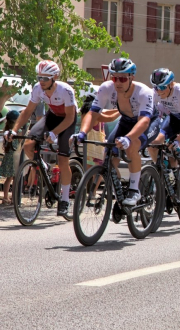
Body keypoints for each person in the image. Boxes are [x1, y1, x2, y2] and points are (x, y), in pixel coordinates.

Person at [76, 58, 154, 208]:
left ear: (132, 78)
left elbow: (144, 121)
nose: (118, 82)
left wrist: (129, 138)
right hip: (126, 120)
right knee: (109, 156)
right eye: (114, 78)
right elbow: (92, 114)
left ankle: (133, 190)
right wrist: (81, 134)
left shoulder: (143, 92)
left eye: (123, 78)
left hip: (148, 121)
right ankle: (118, 192)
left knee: (132, 145)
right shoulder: (106, 88)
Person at [4, 61, 78, 218]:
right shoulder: (38, 88)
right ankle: (44, 166)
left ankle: (65, 199)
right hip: (51, 116)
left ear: (55, 77)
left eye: (45, 78)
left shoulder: (66, 90)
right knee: (28, 145)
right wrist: (14, 130)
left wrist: (55, 133)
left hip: (67, 120)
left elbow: (70, 117)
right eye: (39, 77)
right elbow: (27, 111)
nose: (41, 81)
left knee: (63, 159)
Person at [147, 68, 180, 221]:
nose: (159, 91)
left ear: (171, 84)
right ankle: (164, 171)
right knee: (154, 143)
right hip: (174, 120)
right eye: (156, 87)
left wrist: (178, 140)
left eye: (163, 87)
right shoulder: (155, 92)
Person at [1, 110, 20, 206]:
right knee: (14, 178)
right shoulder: (16, 132)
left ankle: (6, 197)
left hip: (9, 156)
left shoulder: (6, 131)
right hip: (14, 157)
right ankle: (12, 198)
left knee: (9, 178)